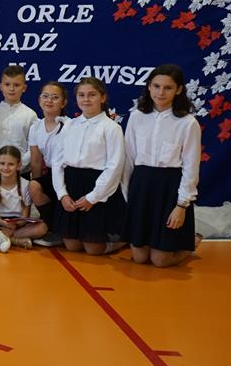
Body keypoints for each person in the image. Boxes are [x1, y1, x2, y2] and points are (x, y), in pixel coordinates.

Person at [124, 64, 202, 267]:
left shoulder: (188, 123)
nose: (160, 92)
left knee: (160, 261)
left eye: (168, 88)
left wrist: (182, 205)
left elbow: (191, 166)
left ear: (178, 90)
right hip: (142, 186)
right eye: (156, 86)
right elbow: (129, 157)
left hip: (169, 189)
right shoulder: (136, 117)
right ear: (149, 86)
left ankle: (190, 244)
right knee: (140, 258)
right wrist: (126, 193)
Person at [52, 77, 127, 256]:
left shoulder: (111, 128)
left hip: (97, 188)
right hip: (72, 186)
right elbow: (57, 162)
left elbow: (114, 166)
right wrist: (62, 194)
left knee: (93, 249)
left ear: (103, 97)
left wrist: (93, 197)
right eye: (81, 95)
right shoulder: (70, 125)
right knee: (71, 245)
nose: (86, 99)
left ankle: (121, 241)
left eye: (92, 95)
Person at [27, 81, 69, 246]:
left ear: (63, 103)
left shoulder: (69, 125)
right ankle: (50, 228)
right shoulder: (35, 127)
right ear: (39, 100)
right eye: (45, 96)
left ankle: (62, 229)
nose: (49, 100)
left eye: (55, 97)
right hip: (51, 173)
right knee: (34, 186)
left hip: (68, 174)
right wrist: (38, 186)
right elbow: (36, 161)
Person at [0, 65, 37, 178]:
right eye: (7, 84)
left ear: (24, 87)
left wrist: (17, 167)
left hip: (21, 173)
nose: (11, 89)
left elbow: (32, 148)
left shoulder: (31, 115)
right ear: (1, 87)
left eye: (17, 85)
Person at [0, 146, 46, 248]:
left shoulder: (26, 185)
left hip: (18, 224)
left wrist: (16, 225)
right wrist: (3, 223)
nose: (6, 168)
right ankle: (14, 240)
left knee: (42, 228)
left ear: (19, 165)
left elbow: (25, 214)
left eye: (11, 164)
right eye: (2, 163)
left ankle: (3, 237)